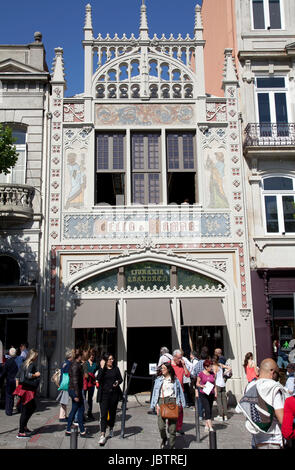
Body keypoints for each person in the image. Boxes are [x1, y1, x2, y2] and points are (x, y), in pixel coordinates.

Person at [239, 358, 287, 449]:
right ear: (272, 372)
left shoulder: (249, 387)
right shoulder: (274, 388)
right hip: (274, 439)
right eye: (277, 373)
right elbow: (282, 419)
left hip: (256, 439)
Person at [150, 362, 186, 449]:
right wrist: (155, 405)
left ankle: (172, 446)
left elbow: (180, 392)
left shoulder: (175, 380)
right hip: (161, 401)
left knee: (172, 428)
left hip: (172, 401)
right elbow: (155, 393)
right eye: (161, 368)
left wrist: (182, 404)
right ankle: (164, 438)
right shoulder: (158, 380)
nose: (162, 370)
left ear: (169, 369)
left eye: (163, 368)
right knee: (161, 426)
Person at [96, 353, 123, 446]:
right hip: (104, 395)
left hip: (114, 395)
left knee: (112, 414)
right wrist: (102, 368)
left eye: (112, 359)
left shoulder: (116, 369)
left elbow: (120, 379)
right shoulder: (102, 369)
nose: (112, 360)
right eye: (110, 359)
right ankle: (102, 435)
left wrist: (117, 382)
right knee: (103, 415)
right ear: (106, 361)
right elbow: (99, 379)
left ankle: (111, 427)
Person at [13, 349, 40, 438]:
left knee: (30, 408)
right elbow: (28, 375)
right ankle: (21, 432)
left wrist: (18, 389)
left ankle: (24, 426)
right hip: (28, 390)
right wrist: (36, 375)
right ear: (33, 357)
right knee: (26, 410)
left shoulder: (23, 364)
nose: (37, 358)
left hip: (23, 388)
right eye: (36, 356)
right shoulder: (31, 364)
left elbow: (17, 376)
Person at [66, 349, 87, 437]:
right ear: (80, 356)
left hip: (74, 390)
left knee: (75, 409)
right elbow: (75, 381)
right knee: (78, 409)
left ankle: (69, 429)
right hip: (75, 391)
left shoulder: (76, 364)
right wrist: (77, 395)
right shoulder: (75, 365)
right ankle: (81, 430)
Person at [171, 349, 190, 435]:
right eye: (179, 358)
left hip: (180, 391)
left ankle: (178, 427)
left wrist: (184, 365)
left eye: (181, 358)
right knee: (171, 409)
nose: (180, 360)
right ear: (174, 357)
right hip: (171, 391)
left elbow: (187, 374)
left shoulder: (181, 365)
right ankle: (171, 426)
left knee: (180, 410)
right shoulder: (169, 364)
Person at [196, 359, 217, 432]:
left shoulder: (212, 374)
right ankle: (210, 426)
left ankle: (206, 425)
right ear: (205, 367)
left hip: (211, 393)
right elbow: (197, 383)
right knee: (207, 409)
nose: (211, 367)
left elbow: (214, 384)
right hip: (203, 393)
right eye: (210, 366)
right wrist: (202, 386)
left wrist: (215, 392)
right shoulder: (201, 374)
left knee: (210, 409)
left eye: (211, 366)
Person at [191, 346, 210, 420]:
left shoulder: (198, 364)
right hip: (208, 383)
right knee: (207, 399)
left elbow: (194, 374)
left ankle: (200, 415)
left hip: (200, 383)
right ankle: (207, 413)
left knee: (200, 399)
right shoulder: (208, 364)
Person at [212, 355, 231, 422]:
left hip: (217, 384)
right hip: (223, 383)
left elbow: (214, 377)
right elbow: (229, 368)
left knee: (219, 401)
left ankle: (220, 415)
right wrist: (224, 373)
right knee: (224, 400)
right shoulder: (220, 365)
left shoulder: (214, 367)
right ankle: (225, 415)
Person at [56, 348, 73, 422]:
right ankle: (62, 416)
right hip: (66, 383)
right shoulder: (69, 364)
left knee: (64, 400)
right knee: (64, 400)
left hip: (62, 382)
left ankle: (64, 415)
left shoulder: (63, 363)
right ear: (70, 357)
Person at [0, 347, 18, 416]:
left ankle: (9, 411)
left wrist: (1, 377)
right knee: (13, 395)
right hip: (16, 380)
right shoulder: (17, 360)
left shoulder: (8, 362)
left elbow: (4, 372)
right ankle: (13, 408)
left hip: (9, 380)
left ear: (10, 353)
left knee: (8, 395)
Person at [83, 349, 97, 420]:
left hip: (92, 383)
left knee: (90, 399)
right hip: (85, 383)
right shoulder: (85, 363)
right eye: (91, 356)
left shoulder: (95, 364)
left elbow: (97, 372)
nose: (92, 357)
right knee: (84, 398)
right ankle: (83, 414)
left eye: (93, 356)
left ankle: (89, 413)